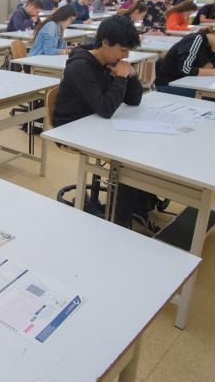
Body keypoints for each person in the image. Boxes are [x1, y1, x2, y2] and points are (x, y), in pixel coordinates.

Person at [53, 15, 165, 230]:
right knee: (128, 154)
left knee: (143, 144)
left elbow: (133, 100)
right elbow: (105, 109)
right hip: (73, 126)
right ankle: (120, 222)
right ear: (105, 43)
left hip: (96, 121)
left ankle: (137, 206)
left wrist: (130, 75)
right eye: (123, 50)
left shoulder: (108, 62)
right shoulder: (80, 67)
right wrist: (121, 79)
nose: (126, 55)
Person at [154, 26, 215, 97]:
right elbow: (185, 69)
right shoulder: (196, 39)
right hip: (169, 84)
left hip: (185, 82)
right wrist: (213, 72)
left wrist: (209, 66)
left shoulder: (212, 46)